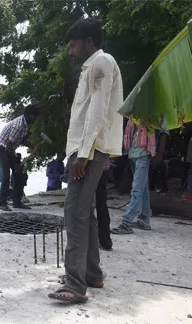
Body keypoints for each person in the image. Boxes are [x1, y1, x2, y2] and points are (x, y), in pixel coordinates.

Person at [48, 18, 123, 304]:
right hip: (87, 148)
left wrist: (83, 152)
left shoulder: (101, 63)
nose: (70, 50)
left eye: (74, 44)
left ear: (89, 41)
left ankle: (75, 285)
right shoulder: (94, 66)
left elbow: (98, 109)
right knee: (86, 211)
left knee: (75, 212)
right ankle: (92, 273)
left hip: (88, 150)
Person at [110, 119, 168, 234]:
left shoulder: (156, 109)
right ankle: (144, 220)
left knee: (137, 189)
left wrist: (159, 154)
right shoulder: (137, 107)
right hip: (133, 152)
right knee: (143, 188)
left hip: (144, 153)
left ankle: (126, 222)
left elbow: (164, 132)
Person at [0, 105, 40, 210]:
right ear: (30, 115)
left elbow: (22, 140)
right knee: (7, 175)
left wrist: (34, 145)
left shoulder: (25, 125)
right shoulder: (18, 125)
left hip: (9, 149)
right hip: (3, 149)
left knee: (20, 174)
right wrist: (15, 163)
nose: (35, 119)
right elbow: (9, 145)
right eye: (35, 116)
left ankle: (17, 202)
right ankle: (2, 203)